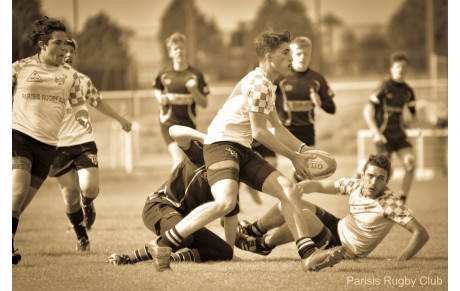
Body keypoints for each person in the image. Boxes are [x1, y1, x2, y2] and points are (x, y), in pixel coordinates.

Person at [148, 29, 346, 273]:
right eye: (286, 53)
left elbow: (277, 127)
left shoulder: (268, 85)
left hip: (241, 147)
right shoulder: (259, 83)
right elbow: (260, 132)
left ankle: (308, 254)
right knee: (225, 202)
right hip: (221, 145)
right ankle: (164, 243)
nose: (291, 58)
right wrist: (294, 158)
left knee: (288, 189)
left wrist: (304, 150)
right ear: (270, 56)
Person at [236, 154, 429, 261]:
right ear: (363, 175)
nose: (373, 182)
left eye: (380, 178)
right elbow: (320, 186)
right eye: (370, 176)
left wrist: (401, 259)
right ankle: (252, 230)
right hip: (337, 227)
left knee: (304, 216)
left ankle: (262, 245)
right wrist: (300, 187)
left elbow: (421, 233)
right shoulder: (356, 185)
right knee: (292, 202)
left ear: (387, 181)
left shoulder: (390, 203)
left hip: (343, 248)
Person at [12, 16, 91, 264]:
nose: (65, 48)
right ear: (42, 44)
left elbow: (78, 105)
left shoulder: (70, 76)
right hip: (19, 136)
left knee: (20, 204)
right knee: (19, 187)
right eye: (58, 43)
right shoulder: (18, 68)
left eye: (66, 43)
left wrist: (83, 119)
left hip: (48, 146)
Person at [106, 125, 236, 270]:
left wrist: (230, 252)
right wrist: (206, 138)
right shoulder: (202, 152)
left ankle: (173, 257)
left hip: (185, 219)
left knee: (224, 252)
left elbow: (230, 212)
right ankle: (128, 258)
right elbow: (174, 131)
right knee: (184, 237)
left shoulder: (232, 172)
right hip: (159, 206)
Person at [47, 39, 132, 251]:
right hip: (57, 147)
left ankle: (88, 203)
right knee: (69, 194)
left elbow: (98, 101)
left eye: (71, 51)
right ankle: (81, 236)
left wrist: (120, 119)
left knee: (89, 187)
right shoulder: (44, 81)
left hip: (83, 141)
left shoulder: (82, 80)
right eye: (63, 50)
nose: (67, 54)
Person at [275, 36, 336, 182]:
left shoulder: (317, 79)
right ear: (291, 54)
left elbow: (332, 108)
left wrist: (320, 103)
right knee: (299, 169)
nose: (302, 57)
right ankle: (290, 196)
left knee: (305, 173)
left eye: (306, 54)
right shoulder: (281, 77)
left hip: (307, 130)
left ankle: (293, 196)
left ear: (310, 54)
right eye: (298, 53)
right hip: (286, 130)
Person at [362, 51, 418, 203]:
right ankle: (367, 196)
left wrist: (416, 126)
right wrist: (375, 132)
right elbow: (367, 110)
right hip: (384, 137)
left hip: (399, 136)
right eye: (398, 66)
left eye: (404, 67)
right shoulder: (384, 87)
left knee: (410, 163)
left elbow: (413, 116)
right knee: (383, 172)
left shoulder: (408, 91)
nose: (401, 69)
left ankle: (402, 201)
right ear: (392, 69)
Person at [153, 32, 210, 170]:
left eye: (181, 48)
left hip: (188, 124)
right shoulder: (164, 73)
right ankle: (172, 192)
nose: (179, 51)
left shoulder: (196, 75)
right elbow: (156, 89)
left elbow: (204, 104)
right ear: (170, 53)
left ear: (186, 50)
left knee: (187, 163)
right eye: (175, 49)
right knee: (179, 160)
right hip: (169, 122)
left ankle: (181, 191)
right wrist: (160, 98)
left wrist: (194, 91)